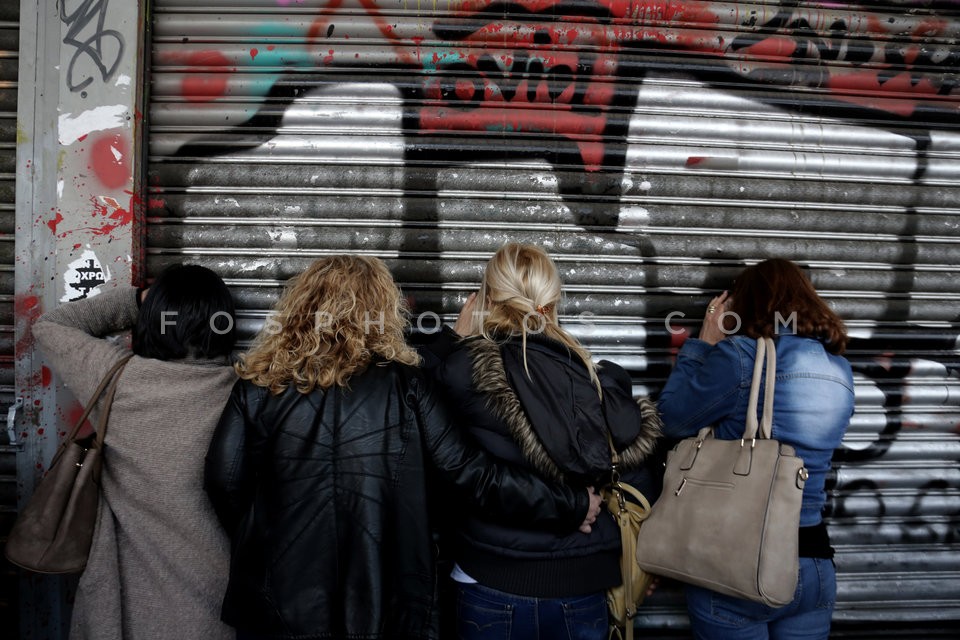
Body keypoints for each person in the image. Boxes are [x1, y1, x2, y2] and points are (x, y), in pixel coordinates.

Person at [203, 254, 602, 640]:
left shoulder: (258, 386)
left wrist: (270, 541)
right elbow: (474, 476)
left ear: (300, 307)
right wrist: (570, 504)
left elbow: (224, 483)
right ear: (383, 308)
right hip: (384, 606)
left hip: (279, 606)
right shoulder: (409, 386)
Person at [420, 242, 664, 640]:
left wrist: (451, 339)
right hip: (583, 584)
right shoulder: (587, 375)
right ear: (551, 300)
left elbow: (414, 409)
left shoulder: (462, 370)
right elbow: (635, 467)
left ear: (488, 297)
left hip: (491, 579)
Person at [32, 264, 239, 640]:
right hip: (215, 603)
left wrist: (139, 300)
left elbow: (51, 325)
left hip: (123, 604)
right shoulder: (243, 391)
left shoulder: (114, 378)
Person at [657, 258, 855, 640]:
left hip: (740, 565)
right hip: (814, 564)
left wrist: (703, 344)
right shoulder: (839, 369)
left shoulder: (741, 358)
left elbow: (670, 419)